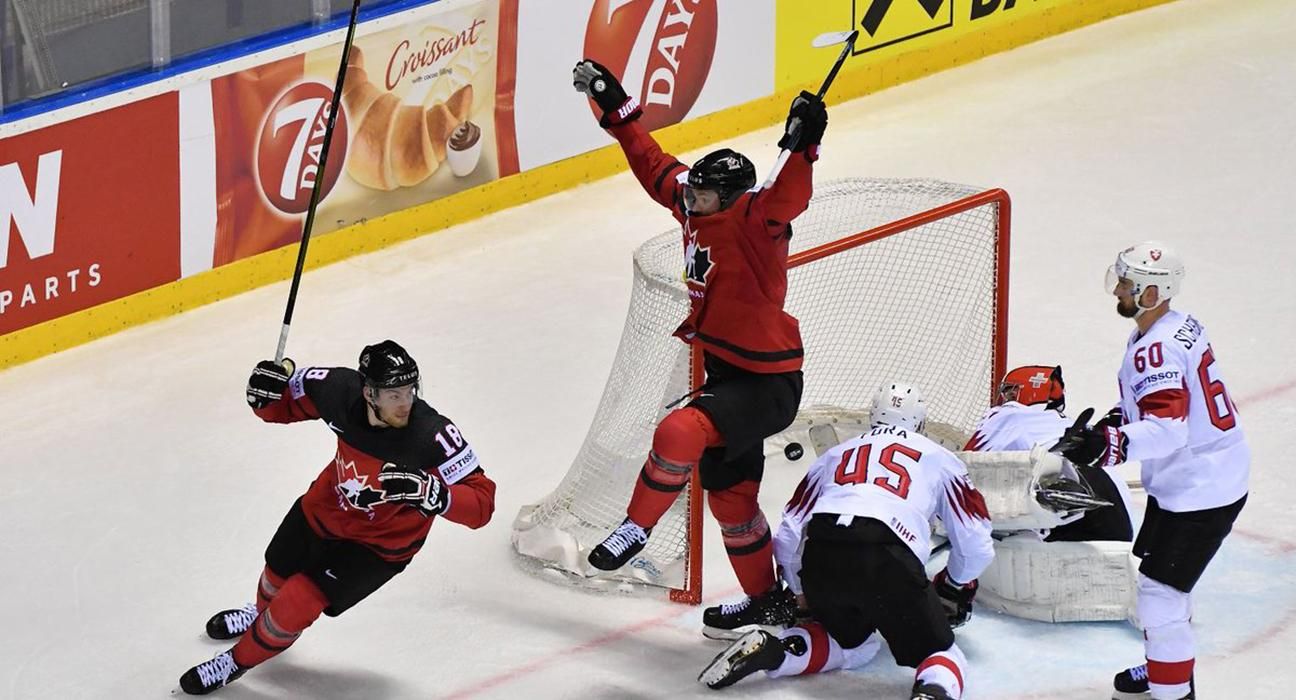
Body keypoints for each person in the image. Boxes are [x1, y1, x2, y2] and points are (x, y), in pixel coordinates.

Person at [571, 58, 828, 638]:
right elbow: (654, 164)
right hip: (726, 375)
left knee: (679, 431)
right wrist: (617, 108)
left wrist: (807, 142)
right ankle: (768, 603)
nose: (691, 200)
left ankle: (636, 527)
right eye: (693, 193)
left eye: (704, 196)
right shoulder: (694, 204)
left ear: (732, 198)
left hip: (767, 383)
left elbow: (790, 195)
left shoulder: (758, 221)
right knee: (732, 505)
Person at [177, 340, 496, 695]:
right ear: (368, 392)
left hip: (379, 547)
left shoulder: (431, 435)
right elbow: (280, 405)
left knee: (298, 599)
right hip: (323, 509)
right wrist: (263, 395)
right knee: (275, 573)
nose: (405, 402)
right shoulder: (335, 389)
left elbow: (482, 505)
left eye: (410, 390)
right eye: (393, 394)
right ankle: (258, 615)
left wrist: (435, 494)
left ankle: (235, 662)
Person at [698, 383, 994, 700]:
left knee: (853, 646)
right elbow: (976, 543)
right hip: (887, 553)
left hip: (822, 551)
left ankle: (778, 651)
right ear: (920, 421)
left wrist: (800, 594)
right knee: (942, 655)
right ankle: (932, 693)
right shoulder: (942, 458)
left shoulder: (835, 454)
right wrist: (952, 584)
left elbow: (789, 532)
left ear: (873, 417)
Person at [1051, 242, 1248, 700]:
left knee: (1161, 594)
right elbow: (1165, 404)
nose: (1117, 289)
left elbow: (1167, 431)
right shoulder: (1175, 325)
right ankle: (1165, 662)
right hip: (1196, 478)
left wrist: (1109, 445)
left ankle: (1173, 691)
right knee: (1164, 586)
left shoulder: (1154, 348)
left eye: (1127, 284)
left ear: (1153, 292)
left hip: (1202, 487)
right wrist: (1117, 419)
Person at [967, 364, 1134, 542]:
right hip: (1117, 511)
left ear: (1021, 392)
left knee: (995, 531)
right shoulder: (1063, 422)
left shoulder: (1007, 414)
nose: (1006, 398)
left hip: (1071, 493)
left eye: (1009, 392)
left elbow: (970, 459)